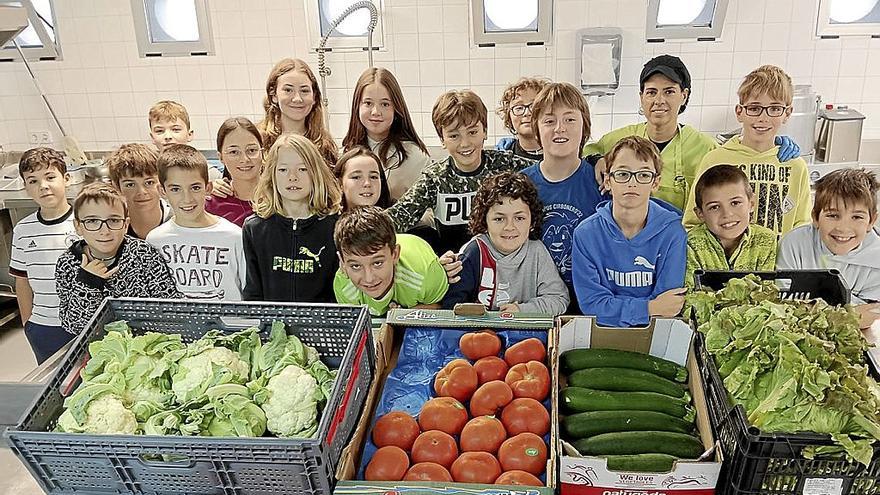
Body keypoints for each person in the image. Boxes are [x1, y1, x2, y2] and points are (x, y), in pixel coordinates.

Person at [584, 55, 800, 211]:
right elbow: (582, 151)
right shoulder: (620, 141)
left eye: (669, 91)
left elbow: (739, 159)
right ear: (642, 97)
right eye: (651, 92)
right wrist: (597, 159)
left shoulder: (705, 148)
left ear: (684, 96)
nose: (659, 100)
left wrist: (774, 144)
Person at [386, 90, 533, 254]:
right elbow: (395, 218)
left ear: (484, 131)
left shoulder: (506, 165)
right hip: (456, 269)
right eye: (454, 136)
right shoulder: (434, 179)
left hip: (505, 267)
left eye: (472, 132)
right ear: (442, 139)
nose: (465, 143)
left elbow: (548, 172)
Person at [682, 65, 811, 237]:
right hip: (721, 263)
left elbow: (802, 228)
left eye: (774, 109)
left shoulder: (796, 166)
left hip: (778, 263)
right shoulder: (715, 160)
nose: (763, 118)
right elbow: (693, 224)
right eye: (754, 108)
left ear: (787, 113)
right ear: (739, 112)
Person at [572, 136, 687, 327]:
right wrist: (649, 308)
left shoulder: (673, 232)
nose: (632, 183)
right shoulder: (586, 234)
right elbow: (592, 305)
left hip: (656, 331)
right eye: (623, 174)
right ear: (608, 181)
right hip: (605, 332)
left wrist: (620, 310)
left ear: (655, 183)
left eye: (643, 175)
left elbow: (669, 305)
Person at [55, 183, 181, 335]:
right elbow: (74, 326)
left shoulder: (144, 254)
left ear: (126, 224)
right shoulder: (67, 264)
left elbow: (171, 308)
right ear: (78, 226)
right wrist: (87, 283)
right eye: (92, 221)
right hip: (99, 348)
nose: (104, 231)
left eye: (113, 220)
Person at [521, 82, 603, 311]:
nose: (560, 128)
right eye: (549, 121)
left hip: (590, 303)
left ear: (584, 126)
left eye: (569, 119)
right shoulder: (522, 185)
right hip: (535, 303)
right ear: (536, 130)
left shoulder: (602, 183)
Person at [442, 171, 568, 316]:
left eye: (519, 218)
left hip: (524, 332)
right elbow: (452, 308)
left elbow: (559, 299)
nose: (509, 227)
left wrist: (522, 310)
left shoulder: (537, 252)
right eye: (499, 219)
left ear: (532, 222)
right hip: (476, 333)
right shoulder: (474, 251)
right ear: (484, 221)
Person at [242, 133, 342, 302]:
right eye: (283, 170)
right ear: (271, 175)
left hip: (321, 325)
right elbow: (253, 291)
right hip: (272, 325)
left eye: (302, 169)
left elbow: (339, 292)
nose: (292, 177)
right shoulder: (255, 228)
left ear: (316, 173)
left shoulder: (335, 227)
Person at [777, 168, 880, 328]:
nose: (843, 228)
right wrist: (850, 315)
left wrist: (814, 311)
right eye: (833, 215)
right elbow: (782, 303)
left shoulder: (877, 257)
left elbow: (871, 316)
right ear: (815, 218)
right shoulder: (794, 244)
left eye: (857, 217)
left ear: (872, 221)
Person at [146, 144, 246, 301]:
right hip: (178, 325)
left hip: (232, 325)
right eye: (175, 189)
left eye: (195, 187)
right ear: (162, 191)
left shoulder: (235, 236)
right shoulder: (155, 240)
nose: (187, 199)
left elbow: (249, 292)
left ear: (208, 188)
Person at [10, 148, 78, 363]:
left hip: (83, 321)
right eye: (33, 181)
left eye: (50, 177)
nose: (43, 186)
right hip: (44, 326)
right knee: (54, 384)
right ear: (25, 187)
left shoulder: (85, 221)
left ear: (66, 179)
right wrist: (28, 324)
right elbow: (22, 281)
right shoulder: (23, 229)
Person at [334, 206, 447, 316]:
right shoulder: (343, 287)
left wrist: (405, 316)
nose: (369, 279)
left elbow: (443, 307)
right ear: (342, 262)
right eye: (356, 266)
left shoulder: (425, 273)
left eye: (377, 263)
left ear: (395, 254)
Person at [342, 67, 432, 201]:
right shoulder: (344, 154)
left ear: (396, 108)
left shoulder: (416, 158)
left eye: (385, 104)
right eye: (368, 103)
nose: (375, 112)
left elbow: (429, 212)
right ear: (357, 106)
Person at [685, 165, 777, 287]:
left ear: (752, 203)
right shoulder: (691, 244)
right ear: (700, 213)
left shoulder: (766, 239)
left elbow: (767, 293)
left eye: (735, 203)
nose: (727, 214)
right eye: (714, 207)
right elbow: (690, 297)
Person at [258, 58, 338, 166]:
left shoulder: (325, 146)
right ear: (274, 95)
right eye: (288, 90)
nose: (297, 99)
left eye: (304, 91)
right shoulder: (258, 141)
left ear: (314, 97)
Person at [105, 143, 172, 239]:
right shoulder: (110, 228)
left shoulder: (179, 220)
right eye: (130, 185)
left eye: (149, 182)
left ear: (161, 182)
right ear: (117, 187)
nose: (141, 192)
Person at [206, 117, 263, 226]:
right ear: (221, 157)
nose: (244, 159)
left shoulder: (280, 196)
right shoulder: (211, 205)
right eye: (234, 152)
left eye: (252, 150)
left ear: (262, 152)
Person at [495, 77, 550, 162]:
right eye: (519, 108)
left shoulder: (561, 155)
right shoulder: (501, 159)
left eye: (533, 106)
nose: (527, 113)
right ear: (509, 116)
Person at [334, 146, 391, 212]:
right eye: (356, 177)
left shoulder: (394, 220)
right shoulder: (326, 221)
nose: (367, 183)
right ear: (340, 184)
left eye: (373, 177)